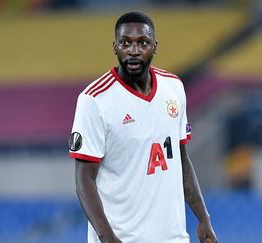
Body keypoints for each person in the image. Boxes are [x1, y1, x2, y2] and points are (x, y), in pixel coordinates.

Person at [68, 11, 217, 243]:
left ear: (155, 46)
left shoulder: (174, 88)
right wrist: (107, 238)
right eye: (126, 43)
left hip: (173, 237)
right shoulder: (94, 100)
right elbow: (84, 180)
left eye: (143, 43)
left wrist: (203, 218)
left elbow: (180, 160)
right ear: (115, 47)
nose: (134, 51)